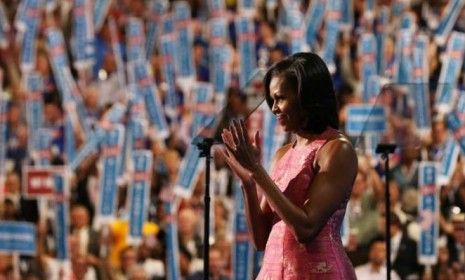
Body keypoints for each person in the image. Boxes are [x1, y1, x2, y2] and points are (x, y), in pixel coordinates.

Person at [218, 52, 358, 279]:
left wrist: (257, 169)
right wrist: (249, 183)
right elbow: (261, 239)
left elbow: (306, 228)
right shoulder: (282, 154)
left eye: (280, 98)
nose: (274, 108)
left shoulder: (337, 150)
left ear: (306, 96)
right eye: (271, 100)